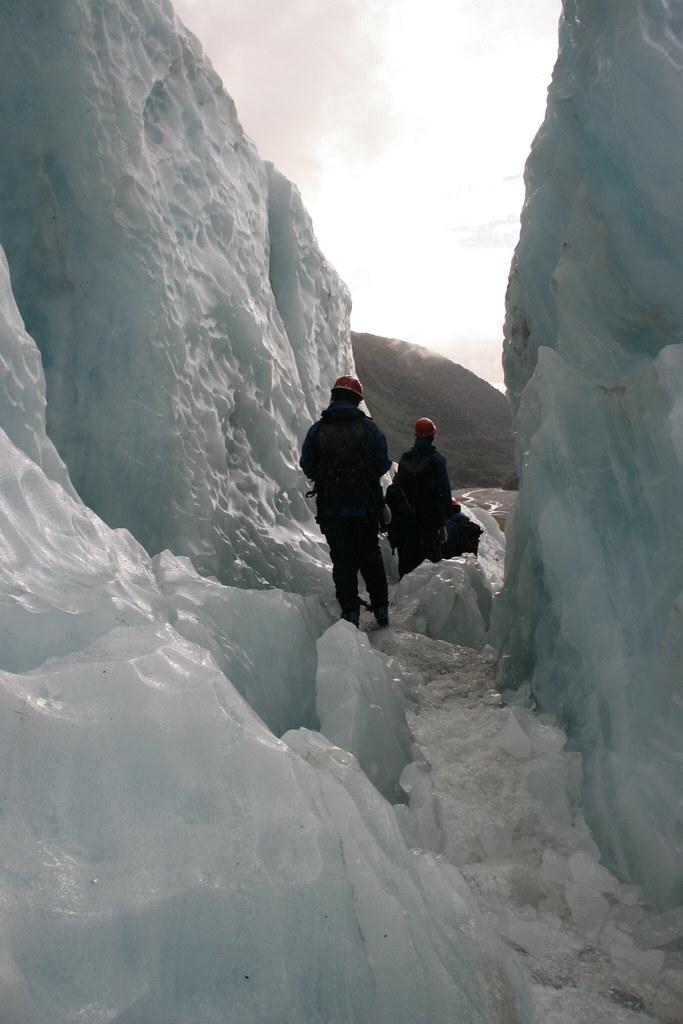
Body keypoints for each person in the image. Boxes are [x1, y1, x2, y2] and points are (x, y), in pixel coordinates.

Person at [300, 375, 391, 628]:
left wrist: (328, 478)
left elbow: (307, 464)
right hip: (365, 508)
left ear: (333, 397)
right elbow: (383, 461)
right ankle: (381, 609)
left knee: (343, 561)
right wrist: (363, 479)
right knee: (370, 557)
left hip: (332, 509)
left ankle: (350, 612)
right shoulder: (369, 428)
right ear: (357, 400)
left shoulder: (318, 429)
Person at [386, 417, 451, 579]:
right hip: (431, 516)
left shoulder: (406, 458)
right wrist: (444, 519)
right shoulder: (437, 460)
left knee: (409, 553)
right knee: (431, 554)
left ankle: (405, 586)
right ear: (432, 436)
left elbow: (398, 487)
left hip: (408, 517)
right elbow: (445, 491)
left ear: (416, 436)